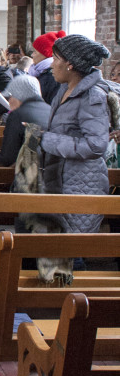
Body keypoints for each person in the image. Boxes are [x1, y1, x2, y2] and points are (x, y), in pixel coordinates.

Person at [40, 34, 111, 232]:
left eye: (55, 59)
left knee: (72, 250)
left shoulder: (91, 97)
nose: (51, 65)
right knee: (56, 251)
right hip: (60, 178)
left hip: (81, 184)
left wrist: (49, 140)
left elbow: (96, 146)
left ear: (70, 64)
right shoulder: (65, 90)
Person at [0, 75, 50, 166]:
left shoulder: (17, 115)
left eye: (10, 96)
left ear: (19, 95)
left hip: (29, 175)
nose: (9, 100)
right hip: (52, 173)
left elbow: (7, 158)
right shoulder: (51, 111)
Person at [29, 30, 66, 104]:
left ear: (46, 55)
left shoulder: (53, 76)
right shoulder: (39, 72)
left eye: (35, 52)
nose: (32, 55)